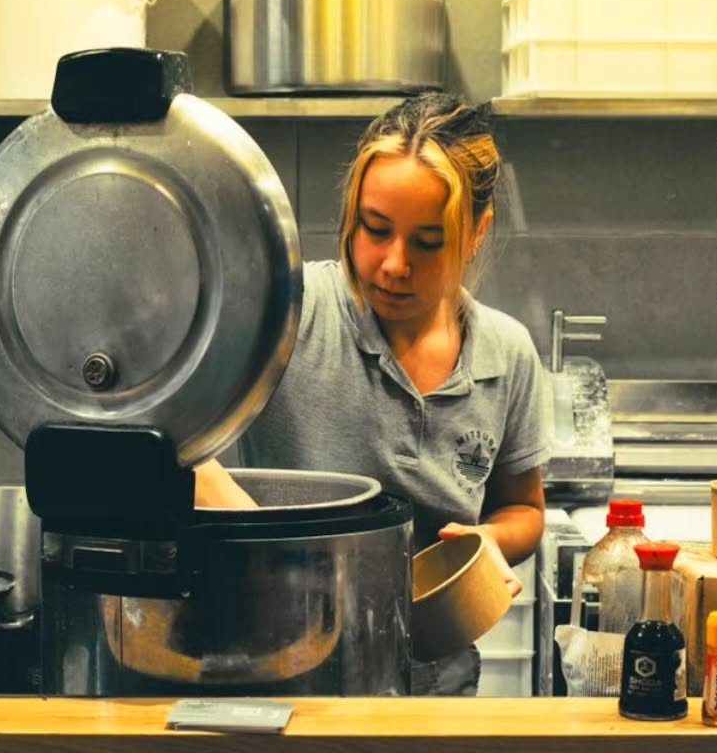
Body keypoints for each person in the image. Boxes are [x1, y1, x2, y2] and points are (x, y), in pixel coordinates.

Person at [194, 92, 550, 696]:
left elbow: (525, 511)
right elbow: (177, 441)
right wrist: (265, 548)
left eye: (428, 241)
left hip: (436, 680)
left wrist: (490, 541)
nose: (392, 264)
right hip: (282, 667)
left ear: (476, 233)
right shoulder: (288, 314)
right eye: (375, 229)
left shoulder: (507, 354)